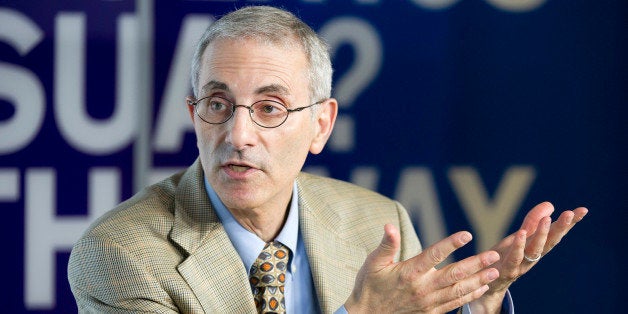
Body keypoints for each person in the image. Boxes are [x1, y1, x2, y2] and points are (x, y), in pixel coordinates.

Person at [67, 5, 587, 314]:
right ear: (194, 113)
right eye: (218, 105)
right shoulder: (120, 255)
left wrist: (481, 303)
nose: (238, 134)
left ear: (321, 124)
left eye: (269, 108)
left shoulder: (377, 223)